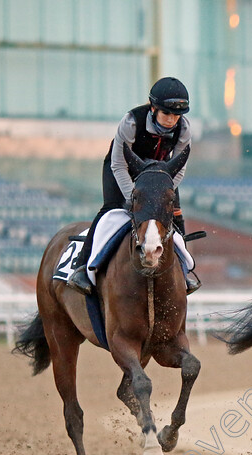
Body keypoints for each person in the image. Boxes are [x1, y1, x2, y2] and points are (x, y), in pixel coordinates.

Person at [67, 76, 200, 295]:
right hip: (122, 169)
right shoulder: (131, 123)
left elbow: (180, 169)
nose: (171, 120)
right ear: (153, 108)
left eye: (176, 115)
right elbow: (118, 165)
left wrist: (160, 194)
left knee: (174, 213)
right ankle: (83, 268)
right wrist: (135, 197)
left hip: (159, 176)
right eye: (166, 113)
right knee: (110, 209)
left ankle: (184, 273)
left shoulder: (184, 130)